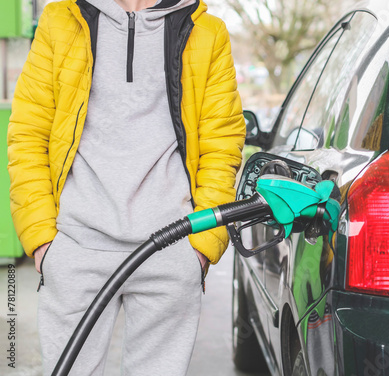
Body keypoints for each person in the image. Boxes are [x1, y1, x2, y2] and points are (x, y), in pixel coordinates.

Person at [7, 0, 246, 374]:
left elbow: (222, 145)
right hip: (76, 247)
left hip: (173, 248)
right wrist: (42, 241)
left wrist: (200, 248)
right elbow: (28, 134)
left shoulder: (207, 32)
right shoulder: (61, 20)